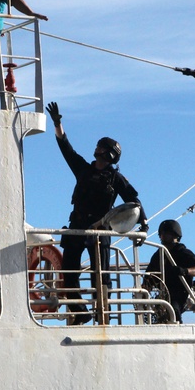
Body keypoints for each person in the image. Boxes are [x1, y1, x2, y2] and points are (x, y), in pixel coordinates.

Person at [45, 101, 138, 325]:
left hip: (99, 232)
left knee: (101, 277)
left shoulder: (116, 179)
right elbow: (66, 149)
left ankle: (102, 316)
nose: (96, 148)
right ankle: (80, 312)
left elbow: (134, 202)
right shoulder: (84, 170)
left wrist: (141, 224)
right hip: (76, 228)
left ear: (108, 154)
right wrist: (58, 124)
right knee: (68, 277)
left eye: (100, 147)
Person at [146, 219, 195, 322]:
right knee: (160, 313)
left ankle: (177, 331)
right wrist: (144, 292)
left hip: (182, 293)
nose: (162, 237)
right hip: (164, 293)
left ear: (174, 235)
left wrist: (184, 271)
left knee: (173, 309)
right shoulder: (158, 255)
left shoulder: (183, 253)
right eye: (161, 234)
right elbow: (149, 277)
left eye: (165, 234)